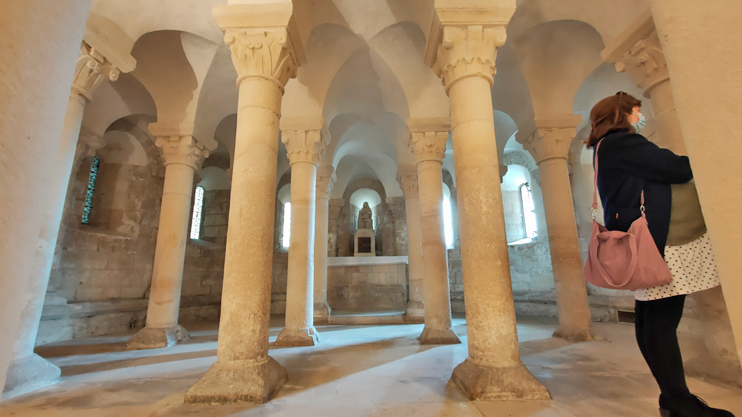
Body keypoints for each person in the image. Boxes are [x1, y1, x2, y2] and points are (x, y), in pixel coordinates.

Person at [587, 92, 732, 417]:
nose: (640, 116)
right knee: (661, 323)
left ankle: (673, 398)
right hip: (657, 241)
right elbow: (677, 168)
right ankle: (679, 403)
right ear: (621, 115)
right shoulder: (622, 142)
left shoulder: (605, 147)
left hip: (645, 240)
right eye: (636, 111)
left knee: (651, 321)